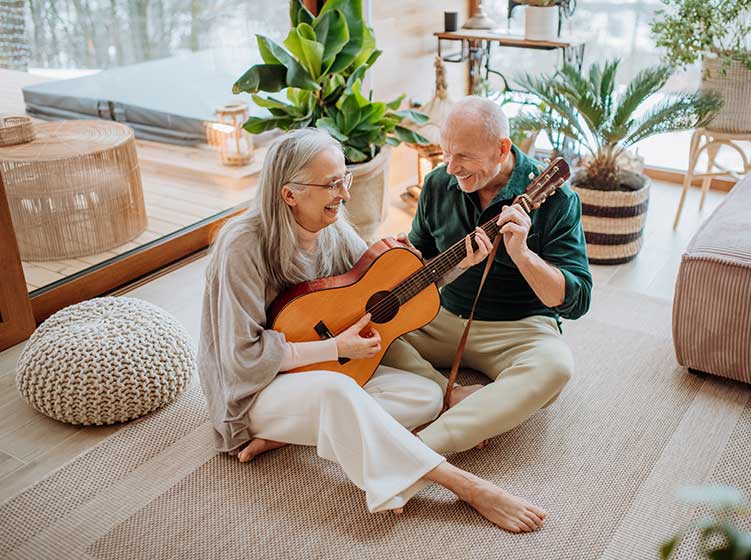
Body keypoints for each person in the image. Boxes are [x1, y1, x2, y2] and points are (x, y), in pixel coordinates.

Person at [197, 128, 547, 532]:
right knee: (339, 390)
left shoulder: (332, 227)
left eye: (343, 179)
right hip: (252, 391)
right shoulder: (241, 246)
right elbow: (240, 357)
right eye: (331, 184)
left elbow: (383, 288)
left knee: (425, 395)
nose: (344, 194)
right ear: (288, 193)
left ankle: (294, 434)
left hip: (314, 378)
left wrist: (460, 263)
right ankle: (464, 485)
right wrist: (336, 349)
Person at [390, 96, 593, 454]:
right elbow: (419, 259)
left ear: (502, 149)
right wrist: (402, 256)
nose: (451, 167)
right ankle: (449, 392)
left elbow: (576, 301)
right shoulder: (438, 183)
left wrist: (523, 255)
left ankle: (420, 450)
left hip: (518, 327)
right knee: (370, 331)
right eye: (446, 153)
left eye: (464, 156)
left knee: (556, 367)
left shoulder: (559, 201)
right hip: (443, 316)